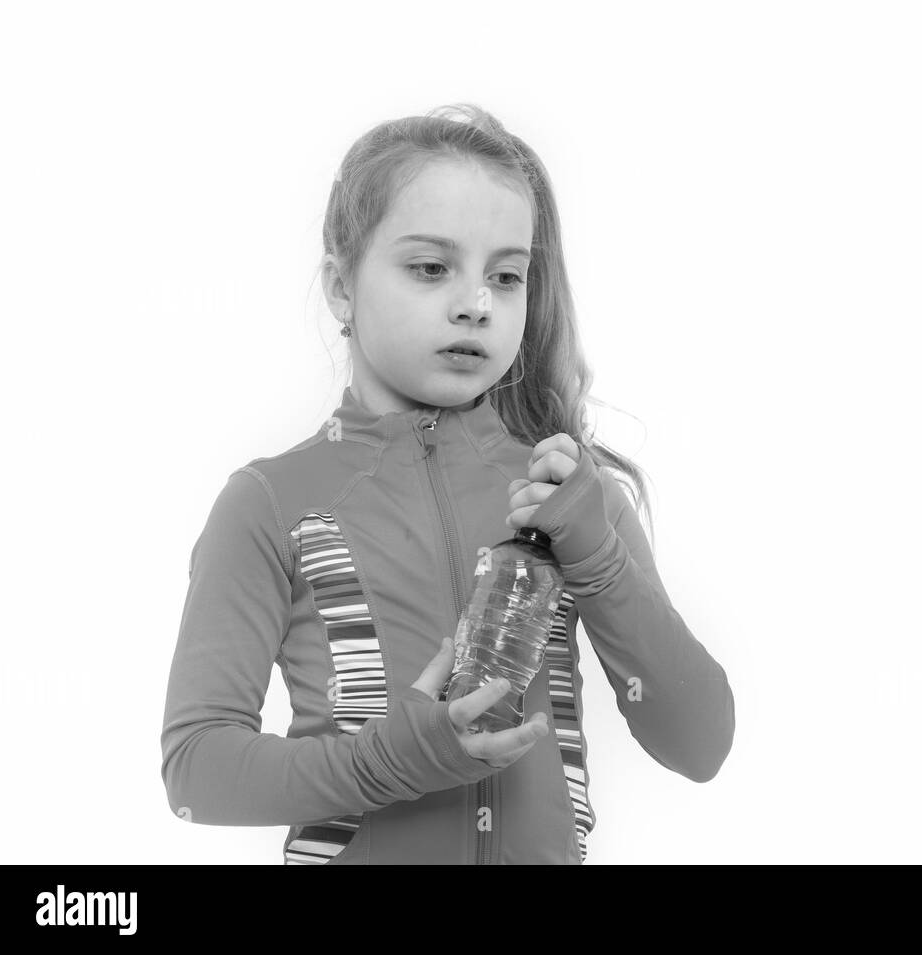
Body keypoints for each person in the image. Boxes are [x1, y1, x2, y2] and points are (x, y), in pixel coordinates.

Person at [159, 103, 735, 864]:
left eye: (506, 274)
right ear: (341, 289)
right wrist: (386, 762)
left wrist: (599, 560)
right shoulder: (269, 502)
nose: (476, 302)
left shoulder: (570, 496)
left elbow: (700, 744)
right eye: (431, 267)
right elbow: (196, 768)